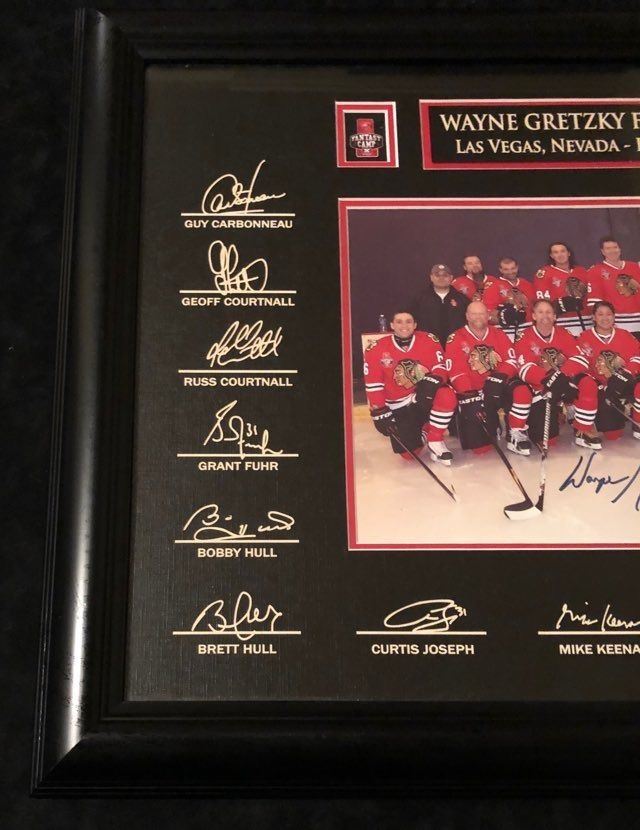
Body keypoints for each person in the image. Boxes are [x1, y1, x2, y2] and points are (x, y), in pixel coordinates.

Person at [364, 310, 457, 464]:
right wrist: (379, 410)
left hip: (423, 396)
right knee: (409, 454)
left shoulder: (428, 339)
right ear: (392, 325)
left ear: (415, 325)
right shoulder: (376, 348)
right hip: (398, 404)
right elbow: (374, 384)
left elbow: (441, 367)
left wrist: (434, 379)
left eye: (408, 321)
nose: (404, 325)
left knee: (446, 394)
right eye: (399, 322)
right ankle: (427, 430)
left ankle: (435, 439)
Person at [446, 301, 532, 455]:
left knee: (521, 390)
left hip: (498, 386)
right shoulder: (456, 337)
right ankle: (492, 425)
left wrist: (498, 377)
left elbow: (512, 361)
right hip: (476, 391)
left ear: (488, 316)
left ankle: (516, 431)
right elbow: (456, 372)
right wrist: (469, 395)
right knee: (481, 450)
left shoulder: (498, 334)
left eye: (482, 313)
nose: (478, 317)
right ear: (467, 316)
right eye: (474, 314)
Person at [515, 299, 600, 449]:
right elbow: (524, 369)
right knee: (550, 441)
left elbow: (580, 359)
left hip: (564, 379)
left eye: (549, 312)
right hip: (541, 386)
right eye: (540, 312)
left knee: (588, 383)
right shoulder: (524, 336)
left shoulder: (563, 333)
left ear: (555, 316)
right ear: (533, 316)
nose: (545, 315)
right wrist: (550, 378)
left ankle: (583, 428)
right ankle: (559, 411)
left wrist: (561, 375)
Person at [576, 301, 640, 440]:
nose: (605, 318)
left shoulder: (625, 335)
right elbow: (581, 367)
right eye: (600, 314)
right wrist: (600, 383)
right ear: (593, 317)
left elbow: (637, 356)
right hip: (602, 388)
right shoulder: (584, 338)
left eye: (609, 314)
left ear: (614, 316)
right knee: (613, 435)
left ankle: (638, 424)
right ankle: (584, 421)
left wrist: (625, 373)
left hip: (623, 382)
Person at [533, 242, 600, 331]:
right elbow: (542, 302)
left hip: (587, 320)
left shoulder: (582, 271)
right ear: (551, 256)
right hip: (561, 322)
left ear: (568, 253)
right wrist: (561, 305)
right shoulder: (544, 274)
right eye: (556, 252)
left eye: (562, 251)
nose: (560, 255)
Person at [409, 263, 469, 347]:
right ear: (431, 277)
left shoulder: (462, 299)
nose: (441, 278)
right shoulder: (419, 299)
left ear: (451, 278)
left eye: (445, 275)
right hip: (427, 346)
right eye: (437, 275)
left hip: (456, 346)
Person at [587, 237, 640, 328]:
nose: (612, 251)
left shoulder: (635, 267)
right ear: (602, 252)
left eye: (615, 247)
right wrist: (606, 322)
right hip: (617, 323)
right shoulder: (595, 271)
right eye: (608, 248)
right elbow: (595, 303)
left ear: (620, 249)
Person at [483, 256, 534, 334]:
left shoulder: (527, 284)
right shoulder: (493, 287)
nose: (510, 272)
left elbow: (535, 306)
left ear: (517, 267)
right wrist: (507, 316)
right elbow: (488, 312)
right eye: (506, 269)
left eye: (513, 268)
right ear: (500, 270)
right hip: (506, 330)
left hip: (529, 327)